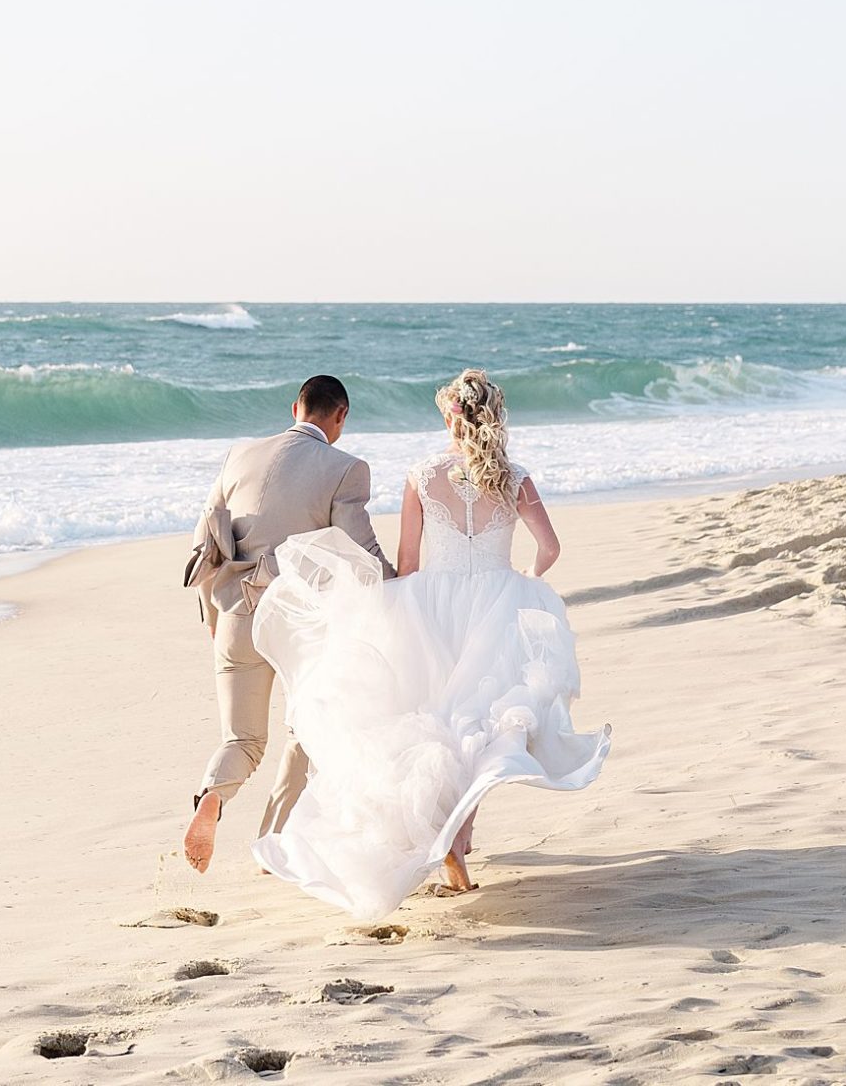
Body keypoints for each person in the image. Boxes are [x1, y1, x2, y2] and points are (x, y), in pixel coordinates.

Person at [250, 368, 611, 919]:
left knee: (436, 720)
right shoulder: (515, 478)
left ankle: (447, 841)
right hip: (498, 605)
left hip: (432, 607)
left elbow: (410, 561)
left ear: (451, 416)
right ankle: (459, 839)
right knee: (484, 728)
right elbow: (551, 547)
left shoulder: (422, 474)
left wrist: (382, 607)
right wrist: (527, 583)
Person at [183, 374, 395, 873]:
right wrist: (399, 583)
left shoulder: (239, 454)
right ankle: (273, 841)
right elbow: (362, 547)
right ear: (340, 417)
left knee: (242, 740)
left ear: (295, 406)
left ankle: (212, 796)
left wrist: (214, 619)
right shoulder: (346, 469)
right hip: (300, 622)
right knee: (308, 729)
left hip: (234, 613)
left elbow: (204, 545)